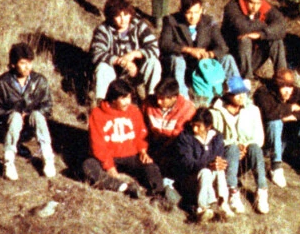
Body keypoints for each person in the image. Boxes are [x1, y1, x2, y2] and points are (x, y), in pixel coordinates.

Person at [84, 79, 166, 199]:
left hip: (130, 155)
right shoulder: (97, 114)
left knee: (151, 166)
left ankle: (159, 194)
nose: (128, 102)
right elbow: (97, 145)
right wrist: (109, 166)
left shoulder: (134, 111)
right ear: (113, 99)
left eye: (129, 98)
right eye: (123, 98)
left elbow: (141, 135)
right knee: (88, 166)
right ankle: (123, 187)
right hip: (108, 157)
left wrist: (143, 151)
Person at [0, 42, 55, 181]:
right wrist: (14, 114)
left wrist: (31, 113)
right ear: (13, 64)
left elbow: (48, 106)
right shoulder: (1, 83)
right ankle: (8, 161)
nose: (28, 67)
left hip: (31, 127)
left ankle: (48, 157)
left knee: (38, 115)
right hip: (8, 126)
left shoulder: (40, 81)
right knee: (15, 117)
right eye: (23, 63)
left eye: (30, 63)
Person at [160, 0, 240, 98]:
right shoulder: (171, 21)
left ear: (201, 10)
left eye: (196, 12)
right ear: (182, 11)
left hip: (203, 64)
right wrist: (188, 50)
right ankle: (183, 99)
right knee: (177, 60)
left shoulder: (209, 22)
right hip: (183, 63)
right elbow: (164, 43)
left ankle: (239, 93)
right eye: (189, 13)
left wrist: (209, 54)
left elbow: (222, 47)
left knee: (228, 59)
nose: (193, 17)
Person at [210, 75, 269, 214]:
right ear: (228, 94)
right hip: (226, 157)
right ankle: (232, 191)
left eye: (243, 92)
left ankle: (261, 191)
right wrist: (236, 146)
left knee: (255, 148)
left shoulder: (253, 110)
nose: (242, 96)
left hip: (245, 156)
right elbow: (214, 140)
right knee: (232, 148)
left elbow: (259, 138)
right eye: (237, 93)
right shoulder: (215, 112)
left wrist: (245, 145)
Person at [254, 68, 300, 189]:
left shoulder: (296, 93)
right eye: (283, 87)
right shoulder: (264, 93)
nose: (288, 91)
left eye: (290, 86)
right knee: (275, 122)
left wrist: (293, 116)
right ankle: (276, 167)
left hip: (286, 142)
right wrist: (291, 107)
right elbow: (270, 113)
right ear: (276, 86)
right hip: (269, 143)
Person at [89, 0, 161, 102]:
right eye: (118, 16)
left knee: (154, 63)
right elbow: (96, 53)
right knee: (102, 68)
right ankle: (103, 105)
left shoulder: (139, 25)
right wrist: (122, 62)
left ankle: (152, 101)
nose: (123, 20)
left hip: (136, 71)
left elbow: (154, 48)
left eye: (126, 15)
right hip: (114, 72)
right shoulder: (103, 29)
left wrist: (135, 54)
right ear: (111, 16)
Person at [142, 77, 195, 207]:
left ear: (174, 98)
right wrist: (143, 149)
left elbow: (179, 136)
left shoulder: (187, 108)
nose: (158, 101)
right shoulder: (148, 103)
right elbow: (141, 127)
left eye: (163, 98)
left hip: (172, 147)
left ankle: (172, 188)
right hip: (151, 144)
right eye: (157, 96)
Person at [222, 0, 288, 82]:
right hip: (233, 59)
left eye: (258, 3)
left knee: (276, 40)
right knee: (245, 39)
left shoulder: (263, 6)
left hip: (252, 58)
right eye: (251, 3)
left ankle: (283, 79)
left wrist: (261, 34)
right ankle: (246, 79)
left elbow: (282, 25)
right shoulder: (232, 7)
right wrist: (263, 26)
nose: (255, 7)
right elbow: (242, 27)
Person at [174, 108, 231, 222]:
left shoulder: (217, 137)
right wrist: (208, 164)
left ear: (208, 127)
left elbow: (218, 159)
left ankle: (222, 203)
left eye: (198, 126)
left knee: (219, 170)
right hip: (191, 179)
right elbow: (187, 163)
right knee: (205, 172)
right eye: (193, 125)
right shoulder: (185, 138)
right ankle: (202, 208)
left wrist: (218, 163)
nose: (194, 129)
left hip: (211, 179)